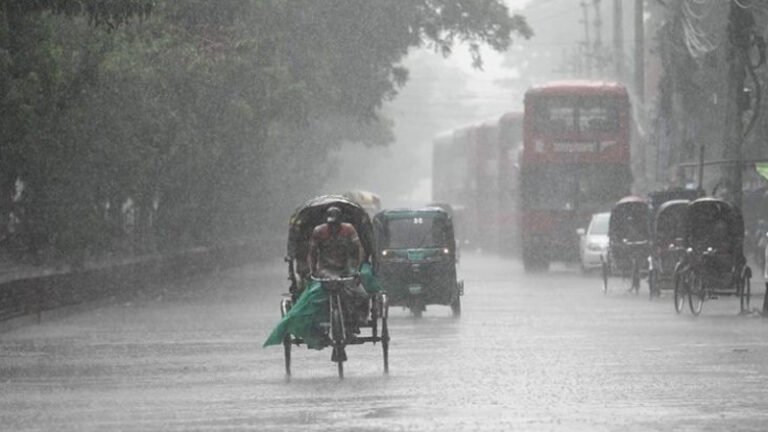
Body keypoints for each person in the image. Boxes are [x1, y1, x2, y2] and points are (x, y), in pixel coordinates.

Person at [308, 206, 369, 325]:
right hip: (325, 270)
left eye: (336, 224)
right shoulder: (319, 231)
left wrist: (358, 269)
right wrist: (312, 270)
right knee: (312, 298)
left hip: (345, 269)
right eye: (331, 224)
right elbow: (312, 253)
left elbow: (359, 249)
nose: (333, 228)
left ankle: (360, 318)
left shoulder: (349, 230)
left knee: (362, 295)